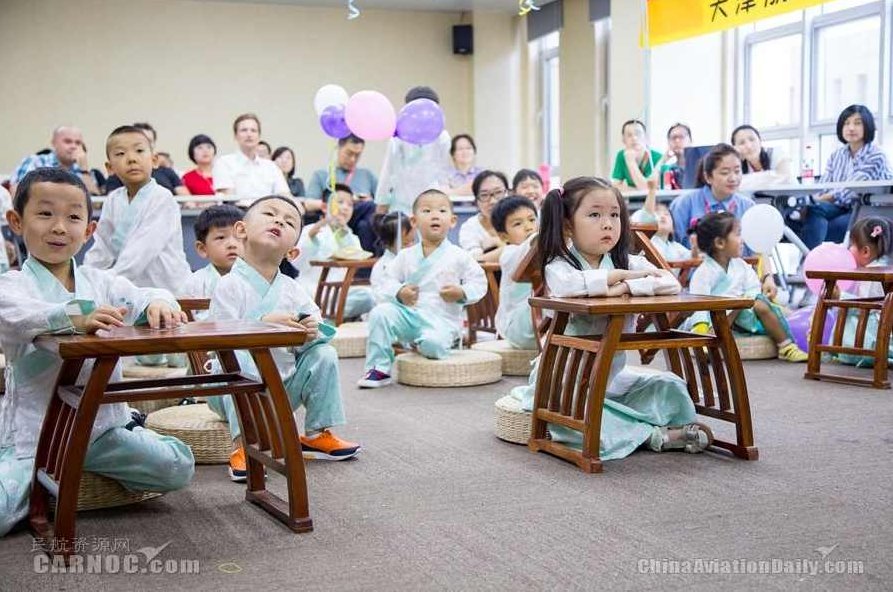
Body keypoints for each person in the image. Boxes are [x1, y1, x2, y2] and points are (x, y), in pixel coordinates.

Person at [0, 168, 194, 537]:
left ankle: (128, 430)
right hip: (36, 435)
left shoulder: (101, 282)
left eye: (73, 217)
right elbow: (14, 316)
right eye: (45, 214)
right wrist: (74, 316)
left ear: (89, 230)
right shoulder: (13, 286)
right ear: (16, 221)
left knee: (177, 467)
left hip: (100, 430)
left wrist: (159, 303)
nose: (60, 227)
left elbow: (145, 294)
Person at [510, 176, 712, 458]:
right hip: (567, 379)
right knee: (576, 417)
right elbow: (569, 287)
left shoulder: (626, 260)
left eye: (614, 215)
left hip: (611, 375)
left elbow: (669, 282)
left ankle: (656, 428)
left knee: (670, 385)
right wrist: (618, 277)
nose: (608, 224)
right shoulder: (560, 264)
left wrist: (626, 286)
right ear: (568, 225)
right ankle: (654, 436)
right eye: (595, 215)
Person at [206, 195, 361, 481]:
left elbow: (321, 328)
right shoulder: (229, 285)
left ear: (293, 252)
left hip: (282, 386)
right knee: (240, 355)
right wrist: (262, 324)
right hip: (231, 390)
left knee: (323, 354)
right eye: (269, 214)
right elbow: (221, 338)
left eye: (289, 222)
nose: (279, 220)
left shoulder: (292, 288)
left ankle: (316, 433)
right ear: (241, 230)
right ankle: (243, 445)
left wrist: (310, 330)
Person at [357, 189, 486, 388]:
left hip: (441, 320)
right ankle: (379, 368)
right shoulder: (405, 255)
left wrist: (461, 293)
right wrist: (399, 292)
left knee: (433, 346)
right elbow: (386, 281)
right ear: (414, 221)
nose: (435, 215)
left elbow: (479, 282)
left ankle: (427, 342)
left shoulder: (459, 256)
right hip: (410, 315)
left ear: (452, 221)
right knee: (380, 313)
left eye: (441, 211)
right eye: (427, 211)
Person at [687, 212, 808, 362]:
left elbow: (753, 287)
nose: (742, 240)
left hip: (744, 313)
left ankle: (786, 346)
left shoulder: (741, 266)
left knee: (760, 304)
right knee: (730, 309)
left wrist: (744, 300)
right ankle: (709, 342)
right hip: (717, 318)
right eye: (738, 234)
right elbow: (698, 306)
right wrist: (701, 331)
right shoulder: (703, 273)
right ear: (720, 243)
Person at [799, 105, 893, 249]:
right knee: (809, 215)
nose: (851, 128)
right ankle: (811, 259)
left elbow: (850, 191)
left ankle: (809, 259)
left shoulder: (876, 155)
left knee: (813, 219)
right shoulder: (836, 155)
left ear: (867, 126)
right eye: (846, 123)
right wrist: (811, 201)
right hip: (842, 208)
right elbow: (823, 186)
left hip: (869, 212)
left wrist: (814, 200)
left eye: (857, 123)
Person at [292, 184, 375, 320]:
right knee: (299, 299)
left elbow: (357, 259)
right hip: (311, 290)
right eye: (340, 202)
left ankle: (325, 315)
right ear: (325, 207)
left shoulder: (351, 236)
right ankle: (320, 315)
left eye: (350, 204)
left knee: (368, 296)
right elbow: (297, 263)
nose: (345, 207)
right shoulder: (310, 230)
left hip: (338, 294)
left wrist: (345, 234)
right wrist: (311, 238)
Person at [376, 86, 452, 214]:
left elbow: (443, 173)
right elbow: (388, 171)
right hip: (402, 204)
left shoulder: (442, 137)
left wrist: (445, 202)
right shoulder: (398, 136)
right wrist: (381, 203)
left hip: (431, 203)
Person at [835, 216, 893, 367]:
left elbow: (865, 306)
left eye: (852, 245)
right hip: (884, 328)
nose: (848, 249)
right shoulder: (884, 268)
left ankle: (851, 353)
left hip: (874, 332)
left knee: (847, 315)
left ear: (865, 251)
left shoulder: (872, 274)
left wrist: (840, 296)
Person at [491, 196, 538, 350]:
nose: (528, 227)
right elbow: (529, 248)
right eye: (518, 224)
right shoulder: (509, 253)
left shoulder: (544, 249)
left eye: (532, 220)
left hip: (538, 320)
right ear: (504, 236)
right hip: (515, 326)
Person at [212, 113, 291, 203]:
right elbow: (229, 200)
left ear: (259, 136)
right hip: (238, 211)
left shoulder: (271, 166)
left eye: (253, 130)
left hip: (268, 211)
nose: (249, 134)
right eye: (244, 130)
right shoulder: (224, 163)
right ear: (235, 136)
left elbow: (285, 196)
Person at [179, 205, 244, 302]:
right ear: (203, 249)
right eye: (221, 237)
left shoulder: (258, 279)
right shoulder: (194, 284)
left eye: (238, 236)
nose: (232, 244)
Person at [9, 126, 97, 196]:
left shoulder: (82, 170)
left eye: (78, 143)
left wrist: (84, 170)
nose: (73, 146)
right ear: (54, 143)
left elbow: (95, 200)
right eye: (68, 141)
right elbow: (18, 193)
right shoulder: (35, 161)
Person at [105, 123, 189, 196]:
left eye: (139, 150)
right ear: (110, 167)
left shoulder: (167, 175)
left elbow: (186, 198)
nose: (132, 158)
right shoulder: (115, 192)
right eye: (121, 153)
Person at [631, 179, 691, 264]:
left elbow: (692, 256)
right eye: (657, 214)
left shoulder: (676, 247)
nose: (662, 216)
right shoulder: (647, 242)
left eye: (666, 214)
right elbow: (646, 216)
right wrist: (652, 191)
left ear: (673, 228)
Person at [458, 170, 509, 262]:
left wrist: (498, 242)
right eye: (484, 195)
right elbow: (475, 261)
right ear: (476, 201)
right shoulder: (470, 227)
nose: (493, 201)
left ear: (508, 194)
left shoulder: (519, 219)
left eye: (498, 192)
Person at [730, 125, 794, 191]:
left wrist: (745, 181)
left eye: (752, 139)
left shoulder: (777, 153)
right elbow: (732, 185)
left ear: (760, 141)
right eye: (741, 143)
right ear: (735, 148)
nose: (749, 146)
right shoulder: (737, 164)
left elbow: (785, 177)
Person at [369, 211, 415, 303]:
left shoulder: (415, 258)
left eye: (412, 241)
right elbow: (380, 297)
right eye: (405, 243)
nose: (411, 246)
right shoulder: (383, 266)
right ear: (387, 243)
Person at [610, 120, 666, 191]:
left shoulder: (657, 158)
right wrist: (635, 190)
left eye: (638, 134)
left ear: (646, 137)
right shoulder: (621, 155)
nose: (634, 138)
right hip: (632, 197)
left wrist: (631, 162)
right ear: (623, 140)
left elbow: (646, 189)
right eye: (629, 135)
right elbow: (615, 186)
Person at [660, 123, 693, 190]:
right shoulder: (669, 170)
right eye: (673, 138)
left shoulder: (699, 167)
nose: (677, 141)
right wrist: (662, 160)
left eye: (681, 137)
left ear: (690, 141)